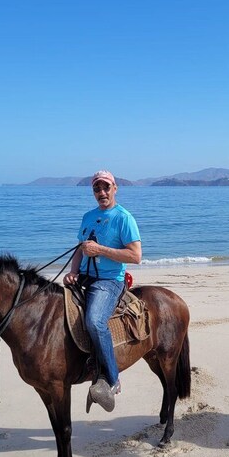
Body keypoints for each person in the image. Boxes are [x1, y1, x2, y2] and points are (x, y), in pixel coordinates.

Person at [63, 170, 142, 411]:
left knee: (95, 321)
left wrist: (101, 250)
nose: (102, 192)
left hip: (109, 280)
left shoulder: (124, 217)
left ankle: (112, 378)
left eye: (106, 187)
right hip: (84, 277)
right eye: (97, 189)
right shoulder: (88, 216)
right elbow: (79, 248)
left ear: (115, 188)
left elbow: (135, 256)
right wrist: (73, 271)